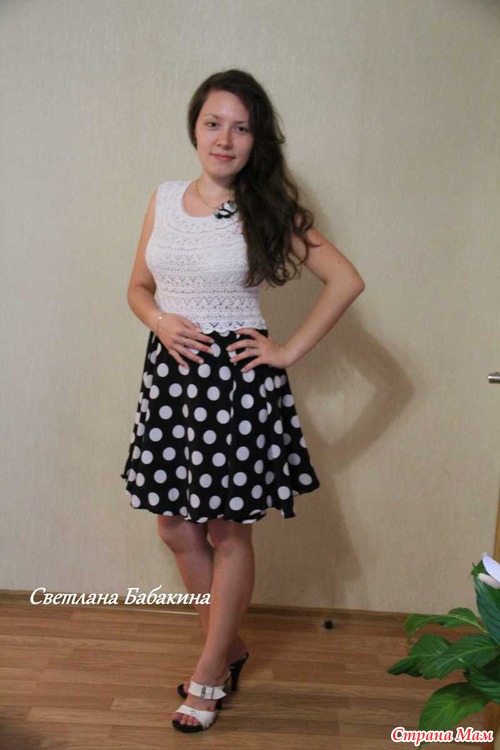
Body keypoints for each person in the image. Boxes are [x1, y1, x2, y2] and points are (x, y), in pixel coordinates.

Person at [121, 69, 365, 733]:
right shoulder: (163, 199)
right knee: (175, 526)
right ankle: (227, 647)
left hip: (236, 386)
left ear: (258, 140)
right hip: (171, 381)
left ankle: (209, 672)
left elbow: (345, 280)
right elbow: (138, 286)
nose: (224, 139)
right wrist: (159, 320)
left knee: (228, 531)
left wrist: (286, 351)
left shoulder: (266, 208)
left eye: (241, 127)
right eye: (213, 123)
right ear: (195, 128)